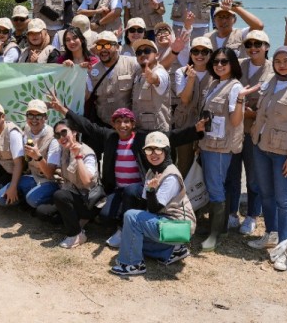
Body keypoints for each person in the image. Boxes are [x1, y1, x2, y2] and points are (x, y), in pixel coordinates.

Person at [47, 91, 203, 249]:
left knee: (130, 191)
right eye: (119, 121)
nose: (123, 125)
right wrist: (63, 110)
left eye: (127, 121)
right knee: (105, 217)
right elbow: (88, 126)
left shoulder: (142, 139)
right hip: (117, 189)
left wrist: (195, 130)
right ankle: (120, 218)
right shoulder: (110, 137)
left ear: (133, 124)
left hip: (139, 189)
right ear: (113, 124)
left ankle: (123, 230)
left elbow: (170, 136)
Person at [248, 45, 287, 256]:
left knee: (284, 200)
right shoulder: (270, 82)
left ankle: (285, 246)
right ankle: (271, 234)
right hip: (261, 146)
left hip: (283, 151)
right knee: (266, 194)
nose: (282, 65)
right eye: (278, 61)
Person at [108, 131, 197, 275]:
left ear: (166, 151)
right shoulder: (152, 172)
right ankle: (173, 250)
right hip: (164, 223)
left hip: (179, 227)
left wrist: (150, 191)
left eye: (158, 149)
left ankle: (133, 264)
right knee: (132, 239)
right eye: (149, 149)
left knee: (131, 216)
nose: (153, 154)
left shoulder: (171, 175)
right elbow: (144, 204)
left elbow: (155, 208)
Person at [196, 47, 249, 250]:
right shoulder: (215, 84)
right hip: (208, 142)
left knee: (217, 187)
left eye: (224, 62)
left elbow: (236, 121)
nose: (219, 65)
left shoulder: (235, 87)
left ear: (232, 64)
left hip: (221, 147)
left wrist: (242, 99)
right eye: (216, 61)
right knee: (213, 185)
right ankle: (216, 225)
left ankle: (217, 233)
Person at [230, 29, 274, 236]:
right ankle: (232, 212)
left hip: (256, 130)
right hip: (234, 128)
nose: (253, 48)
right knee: (232, 174)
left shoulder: (274, 69)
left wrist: (253, 113)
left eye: (258, 44)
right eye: (249, 44)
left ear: (266, 47)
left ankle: (252, 216)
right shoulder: (238, 65)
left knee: (254, 176)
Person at [43, 120, 98, 249]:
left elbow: (87, 181)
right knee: (44, 213)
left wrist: (78, 157)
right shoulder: (63, 150)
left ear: (74, 132)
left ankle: (77, 234)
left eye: (64, 132)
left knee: (60, 195)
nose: (61, 137)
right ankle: (79, 221)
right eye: (57, 135)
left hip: (89, 201)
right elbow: (50, 173)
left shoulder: (87, 152)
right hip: (73, 196)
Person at [172, 35, 215, 176]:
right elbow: (184, 99)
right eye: (196, 51)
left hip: (208, 126)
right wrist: (190, 79)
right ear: (190, 54)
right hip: (185, 125)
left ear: (211, 54)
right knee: (184, 165)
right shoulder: (181, 72)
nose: (200, 55)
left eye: (204, 52)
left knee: (207, 166)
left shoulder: (216, 74)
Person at [86, 31, 136, 128]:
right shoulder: (91, 71)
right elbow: (85, 96)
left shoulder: (132, 63)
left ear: (117, 47)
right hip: (104, 126)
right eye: (99, 46)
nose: (103, 49)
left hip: (128, 126)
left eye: (107, 45)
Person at [18, 100, 58, 213]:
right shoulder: (26, 129)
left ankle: (55, 204)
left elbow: (50, 174)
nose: (34, 119)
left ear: (45, 117)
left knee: (31, 199)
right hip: (34, 176)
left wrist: (38, 157)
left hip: (51, 180)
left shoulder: (53, 137)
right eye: (30, 115)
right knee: (7, 191)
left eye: (38, 115)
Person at [130, 37, 175, 133]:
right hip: (139, 130)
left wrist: (151, 77)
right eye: (139, 53)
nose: (142, 54)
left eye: (147, 51)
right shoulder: (137, 74)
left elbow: (156, 79)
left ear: (157, 55)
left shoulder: (160, 71)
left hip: (158, 132)